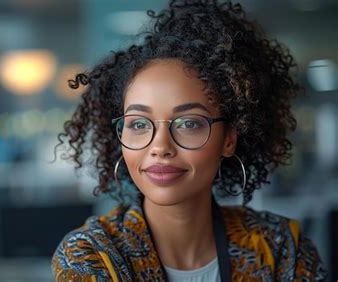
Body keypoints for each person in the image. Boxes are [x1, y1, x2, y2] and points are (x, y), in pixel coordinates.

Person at [51, 0, 328, 281]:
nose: (160, 147)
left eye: (189, 123)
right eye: (138, 124)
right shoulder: (92, 255)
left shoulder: (282, 249)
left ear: (229, 138)